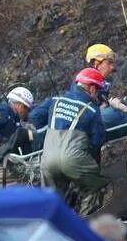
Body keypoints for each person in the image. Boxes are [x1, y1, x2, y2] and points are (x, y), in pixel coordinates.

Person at [41, 68, 111, 216]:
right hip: (72, 159)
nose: (98, 95)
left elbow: (35, 117)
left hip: (47, 160)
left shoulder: (55, 101)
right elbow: (97, 141)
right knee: (95, 186)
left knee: (53, 200)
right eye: (97, 91)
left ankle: (54, 230)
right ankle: (85, 224)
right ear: (91, 89)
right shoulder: (92, 110)